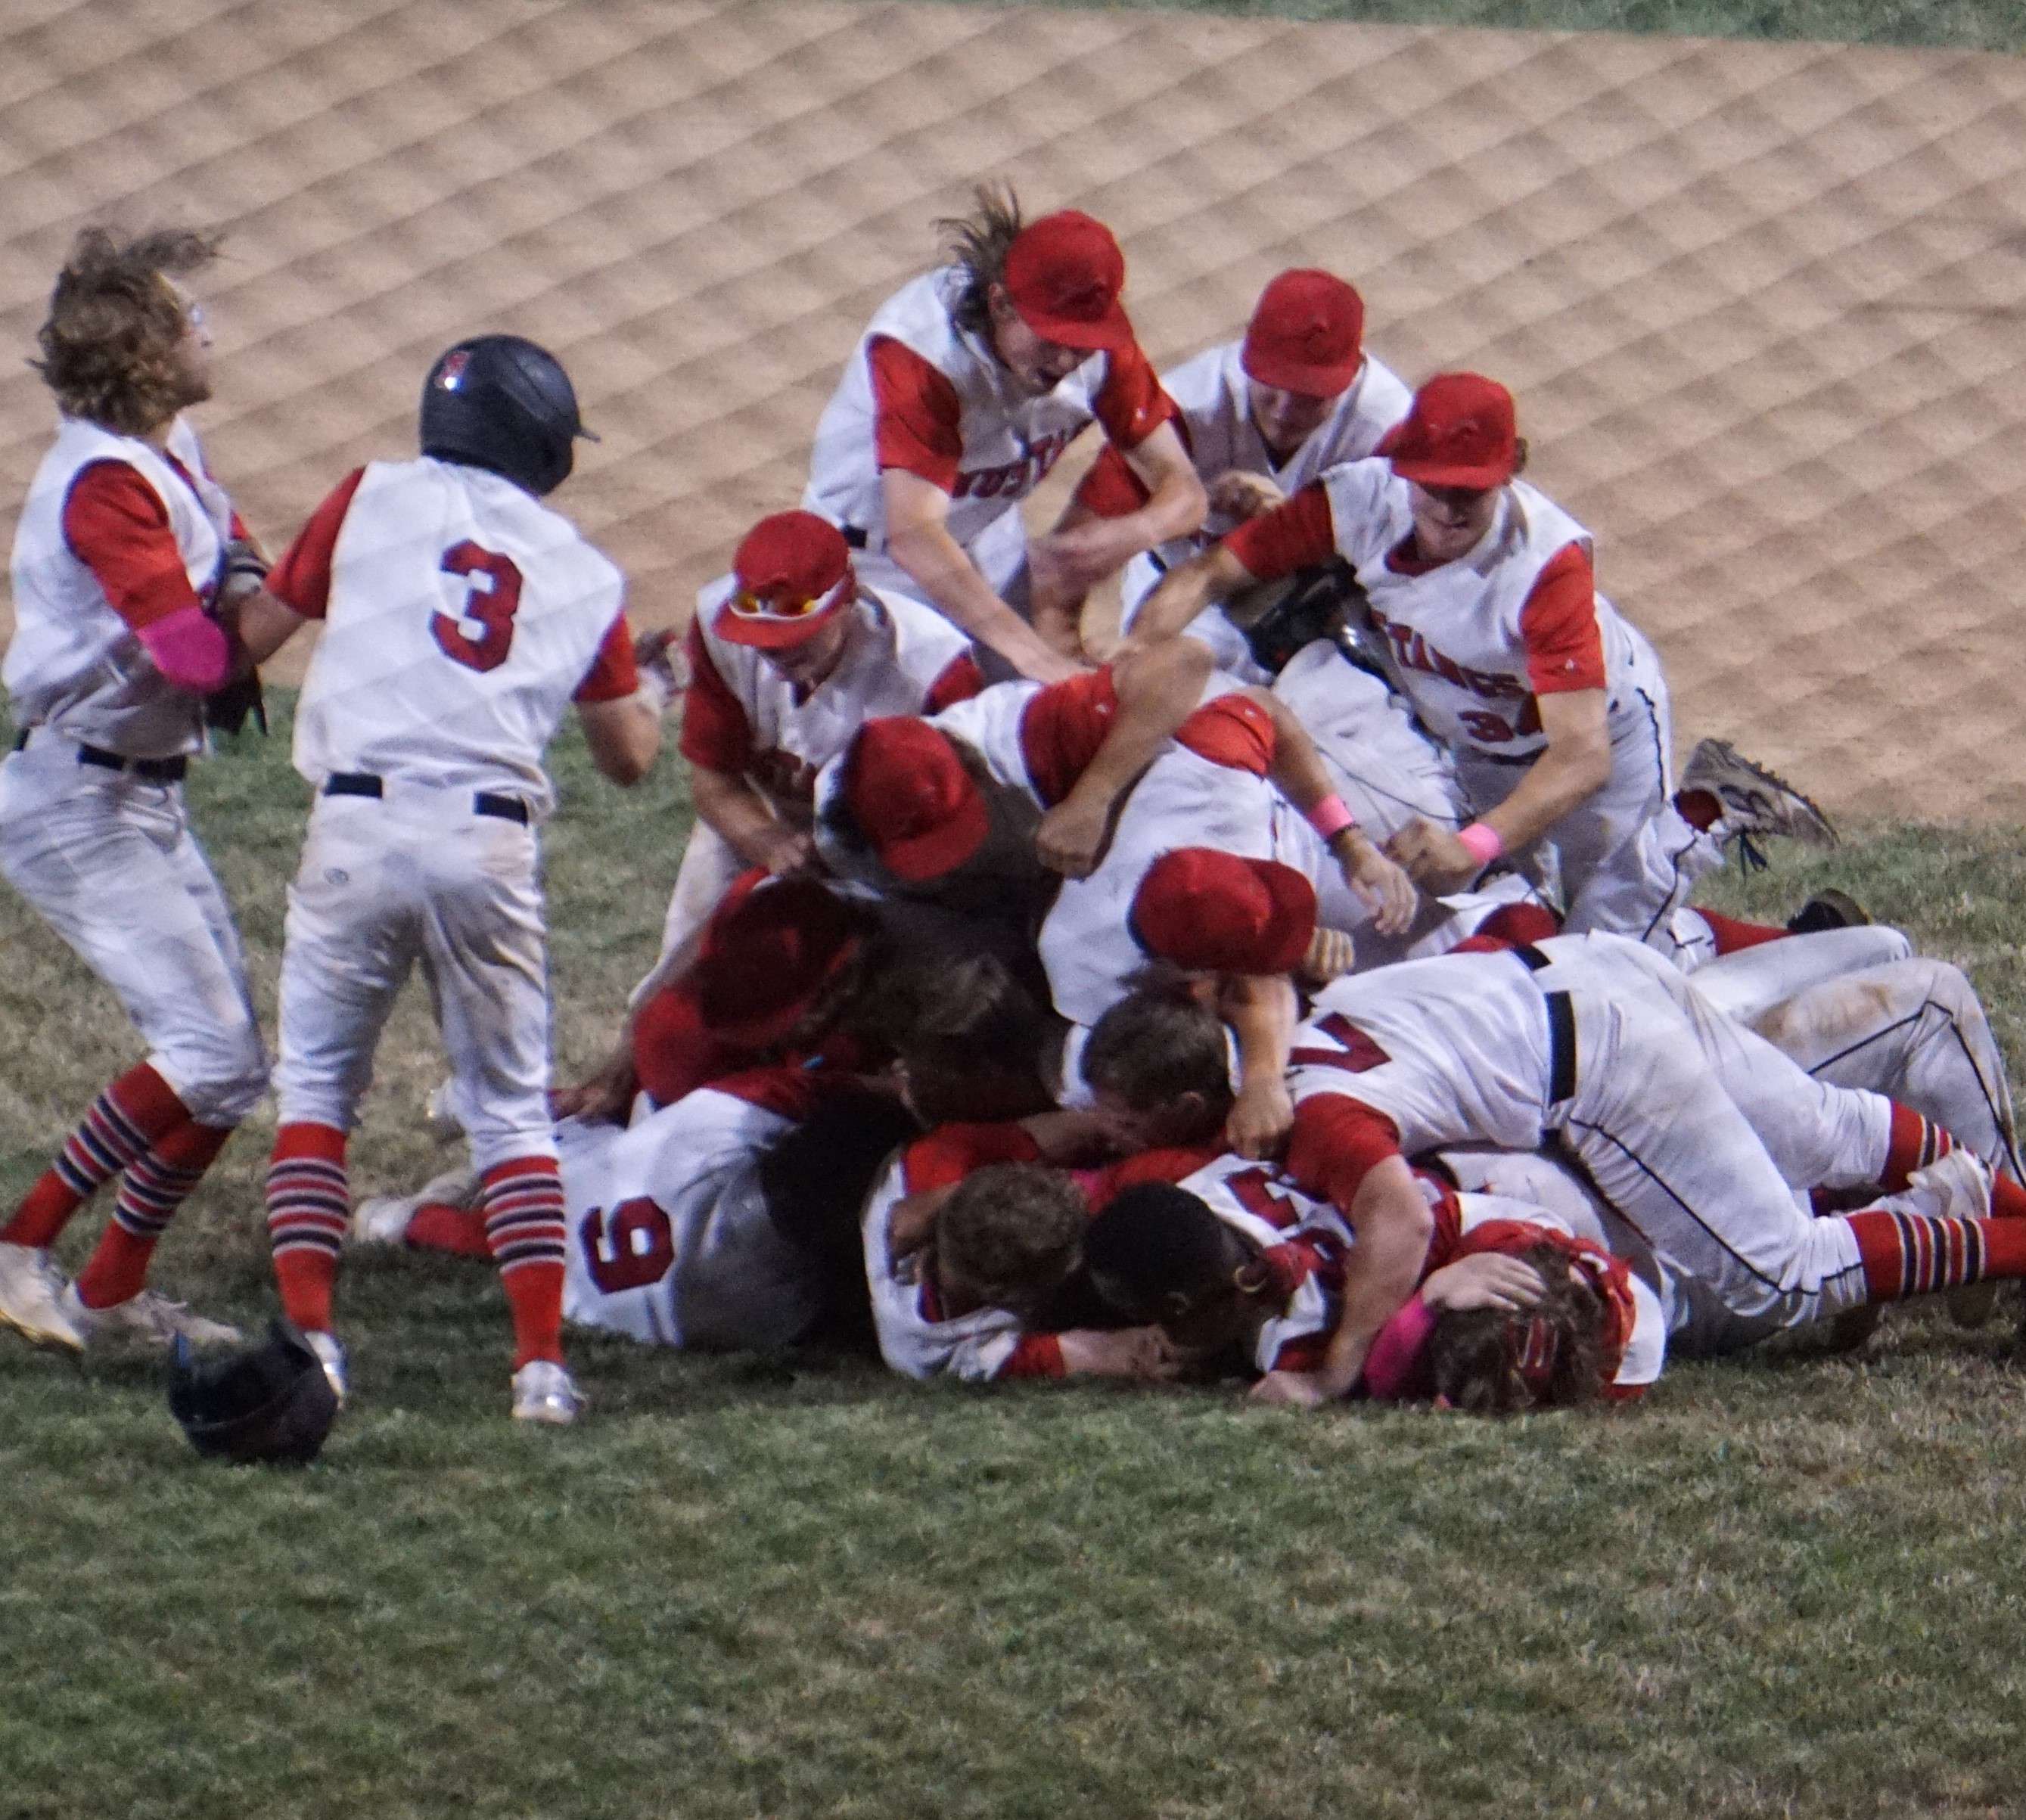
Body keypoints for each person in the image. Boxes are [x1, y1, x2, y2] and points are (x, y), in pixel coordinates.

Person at [230, 333, 667, 1424]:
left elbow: (256, 633)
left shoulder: (365, 495)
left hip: (358, 826)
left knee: (318, 1095)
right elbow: (629, 759)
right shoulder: (583, 568)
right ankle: (538, 1373)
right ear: (540, 443)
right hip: (487, 846)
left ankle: (315, 1350)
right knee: (511, 1113)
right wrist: (645, 682)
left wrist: (233, 570)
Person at [1128, 371, 1835, 964]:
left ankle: (1704, 811)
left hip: (1601, 743)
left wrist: (1474, 844)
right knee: (1537, 932)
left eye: (1472, 487)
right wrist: (1135, 657)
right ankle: (1814, 943)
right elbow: (1215, 571)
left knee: (1609, 955)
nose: (1449, 506)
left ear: (1512, 468)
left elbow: (1581, 756)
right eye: (1434, 484)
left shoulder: (1544, 566)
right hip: (1479, 743)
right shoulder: (1356, 502)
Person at [0, 226, 270, 1352]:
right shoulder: (107, 486)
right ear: (150, 358)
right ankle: (22, 1246)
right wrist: (306, 589)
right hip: (76, 803)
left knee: (233, 1067)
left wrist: (264, 575)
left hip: (141, 790)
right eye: (186, 319)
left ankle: (111, 1294)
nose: (206, 330)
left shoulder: (164, 444)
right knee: (206, 1056)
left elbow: (233, 538)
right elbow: (194, 660)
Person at [802, 185, 1207, 679]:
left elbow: (1184, 489)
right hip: (874, 561)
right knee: (901, 739)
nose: (1066, 360)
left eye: (1081, 344)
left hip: (988, 540)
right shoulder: (923, 355)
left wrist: (1123, 537)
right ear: (1000, 303)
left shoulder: (1097, 347)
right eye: (1053, 340)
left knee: (1020, 725)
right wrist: (1038, 658)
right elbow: (913, 534)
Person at [659, 509, 982, 959]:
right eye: (761, 634)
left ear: (847, 599)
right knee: (683, 975)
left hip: (887, 855)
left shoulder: (932, 670)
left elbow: (961, 822)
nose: (775, 650)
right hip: (759, 821)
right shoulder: (718, 629)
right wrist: (768, 841)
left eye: (796, 634)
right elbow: (715, 783)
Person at [1073, 267, 1411, 672]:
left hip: (1326, 603)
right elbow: (1090, 528)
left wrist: (1300, 529)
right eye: (1273, 382)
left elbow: (1404, 565)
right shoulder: (1184, 406)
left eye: (1308, 395)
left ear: (1352, 374)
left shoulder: (1391, 432)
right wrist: (1183, 501)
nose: (1285, 410)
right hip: (1179, 594)